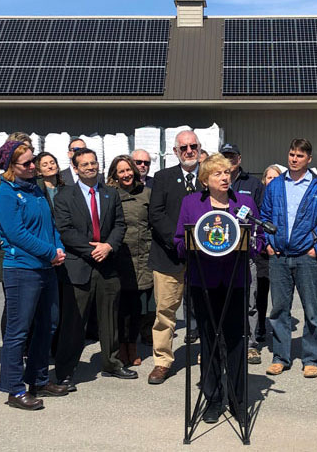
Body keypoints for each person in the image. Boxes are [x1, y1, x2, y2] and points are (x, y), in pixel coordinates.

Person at [174, 154, 264, 424]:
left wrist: (251, 246)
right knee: (209, 340)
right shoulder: (191, 204)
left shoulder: (244, 203)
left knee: (236, 341)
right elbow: (179, 241)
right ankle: (213, 398)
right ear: (205, 179)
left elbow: (257, 241)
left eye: (227, 172)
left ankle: (237, 399)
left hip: (235, 282)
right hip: (204, 281)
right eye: (218, 174)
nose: (225, 177)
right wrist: (192, 244)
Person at [0, 141, 69, 411]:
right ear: (10, 167)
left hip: (46, 267)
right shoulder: (5, 194)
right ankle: (14, 389)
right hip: (22, 269)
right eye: (26, 163)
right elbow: (17, 234)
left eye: (32, 160)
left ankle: (38, 378)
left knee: (49, 323)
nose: (33, 166)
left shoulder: (35, 190)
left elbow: (49, 225)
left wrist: (57, 245)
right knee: (18, 331)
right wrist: (50, 252)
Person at [53, 148, 135, 389]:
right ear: (76, 169)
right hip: (79, 266)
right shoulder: (64, 196)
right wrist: (93, 250)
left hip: (108, 265)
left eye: (93, 162)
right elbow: (65, 230)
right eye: (84, 164)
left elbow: (120, 225)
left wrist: (108, 246)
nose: (90, 167)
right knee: (74, 321)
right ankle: (65, 370)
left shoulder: (111, 194)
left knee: (110, 317)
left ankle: (111, 362)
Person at [261, 138, 317, 379]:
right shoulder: (275, 186)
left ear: (309, 159)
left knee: (312, 310)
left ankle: (311, 358)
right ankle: (280, 357)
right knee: (279, 309)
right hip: (279, 256)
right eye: (292, 154)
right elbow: (264, 215)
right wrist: (269, 245)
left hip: (307, 256)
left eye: (300, 156)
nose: (294, 159)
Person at [146, 130, 202, 384]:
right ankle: (162, 361)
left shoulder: (208, 176)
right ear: (175, 151)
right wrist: (179, 242)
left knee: (206, 308)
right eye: (184, 148)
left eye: (193, 146)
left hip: (204, 257)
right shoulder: (163, 178)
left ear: (199, 148)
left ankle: (208, 353)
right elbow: (156, 215)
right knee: (165, 312)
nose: (189, 151)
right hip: (169, 256)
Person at [0, 132, 32, 338]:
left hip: (36, 253)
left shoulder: (35, 182)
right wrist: (3, 239)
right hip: (11, 253)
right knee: (14, 305)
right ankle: (13, 349)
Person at [220, 143, 265, 364]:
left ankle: (250, 345)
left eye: (232, 156)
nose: (229, 161)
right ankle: (219, 344)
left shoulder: (253, 184)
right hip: (220, 255)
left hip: (245, 255)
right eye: (224, 157)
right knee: (220, 301)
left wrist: (256, 248)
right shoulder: (214, 184)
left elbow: (260, 218)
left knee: (249, 302)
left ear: (240, 158)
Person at [107, 155, 153, 367]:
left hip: (142, 256)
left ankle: (132, 345)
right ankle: (120, 346)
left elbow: (153, 223)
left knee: (137, 307)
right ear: (115, 174)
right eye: (121, 171)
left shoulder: (146, 194)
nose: (126, 174)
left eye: (128, 170)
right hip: (118, 257)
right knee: (119, 307)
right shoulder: (109, 195)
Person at [34, 151, 66, 356]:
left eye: (52, 162)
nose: (50, 166)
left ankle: (57, 344)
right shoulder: (37, 191)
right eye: (45, 164)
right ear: (38, 170)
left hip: (65, 245)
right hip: (47, 247)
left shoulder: (65, 189)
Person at [255, 165, 282, 343]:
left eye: (275, 177)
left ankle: (280, 329)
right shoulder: (259, 197)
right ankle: (260, 326)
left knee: (280, 294)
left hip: (280, 250)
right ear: (264, 180)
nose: (271, 180)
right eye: (269, 177)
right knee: (261, 292)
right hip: (262, 252)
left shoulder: (282, 197)